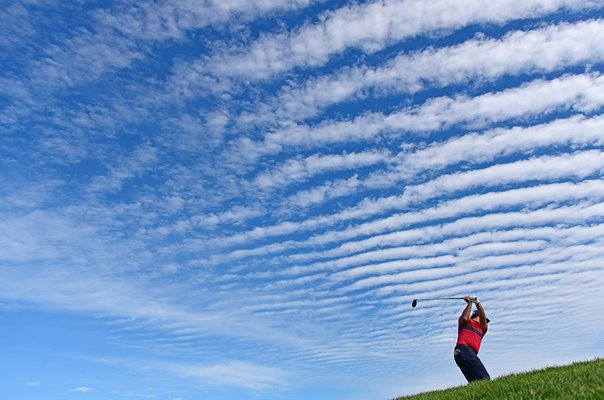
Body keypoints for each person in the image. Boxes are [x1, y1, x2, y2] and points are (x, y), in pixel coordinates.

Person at [454, 295, 491, 382]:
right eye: (485, 319)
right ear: (475, 316)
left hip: (467, 353)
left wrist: (477, 302)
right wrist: (470, 303)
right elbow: (465, 317)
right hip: (463, 350)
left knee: (475, 381)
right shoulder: (466, 322)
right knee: (484, 378)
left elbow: (482, 317)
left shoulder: (482, 329)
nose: (485, 321)